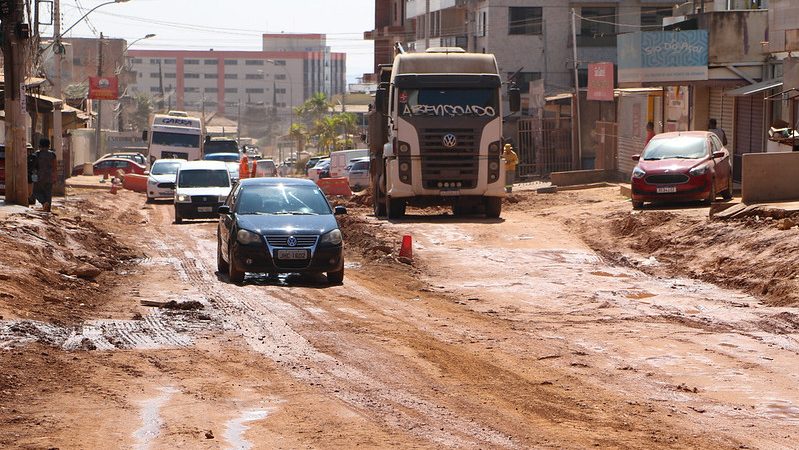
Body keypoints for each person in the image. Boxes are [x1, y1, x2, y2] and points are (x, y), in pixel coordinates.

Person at [32, 138, 57, 212]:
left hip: (39, 177)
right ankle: (47, 208)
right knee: (48, 193)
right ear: (48, 145)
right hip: (49, 177)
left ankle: (44, 202)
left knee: (35, 192)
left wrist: (33, 177)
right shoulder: (52, 154)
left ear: (40, 145)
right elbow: (54, 167)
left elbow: (34, 166)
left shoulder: (37, 154)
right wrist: (54, 177)